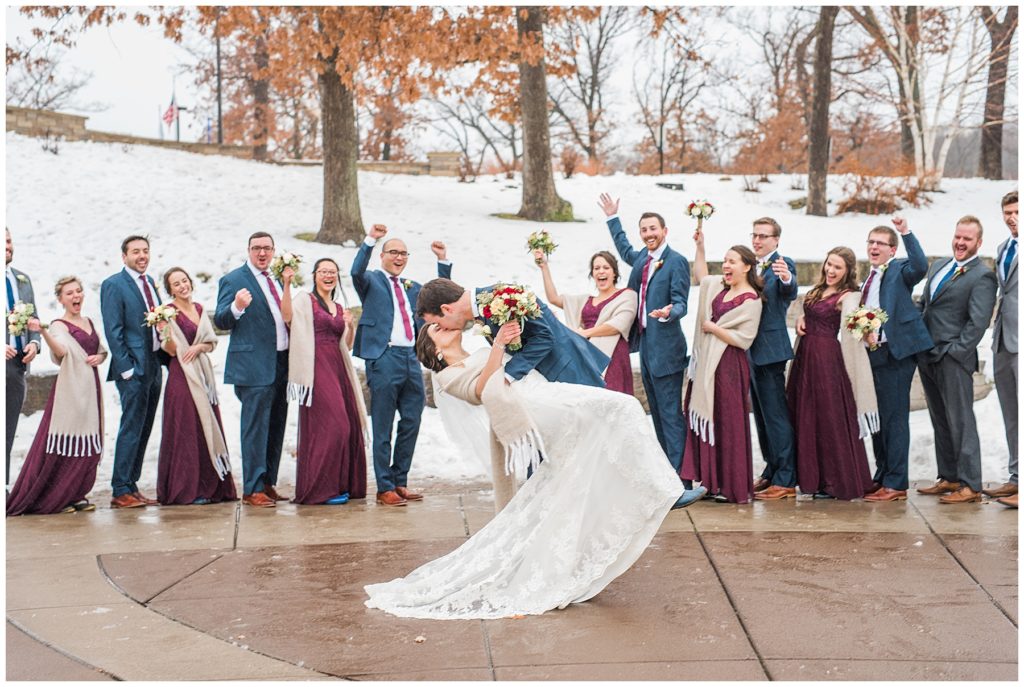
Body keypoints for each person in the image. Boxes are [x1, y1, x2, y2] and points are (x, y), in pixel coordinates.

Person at [364, 320, 703, 620]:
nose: (444, 325)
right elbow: (480, 390)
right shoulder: (446, 377)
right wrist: (498, 346)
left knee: (577, 468)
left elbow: (513, 364)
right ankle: (661, 491)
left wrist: (510, 331)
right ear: (434, 348)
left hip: (542, 390)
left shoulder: (480, 350)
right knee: (623, 407)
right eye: (435, 329)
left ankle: (577, 552)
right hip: (532, 407)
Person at [350, 224, 451, 507]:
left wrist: (442, 261)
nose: (399, 257)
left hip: (410, 358)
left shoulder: (412, 287)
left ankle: (400, 480)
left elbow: (440, 298)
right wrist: (370, 240)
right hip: (384, 357)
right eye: (393, 252)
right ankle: (384, 487)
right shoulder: (371, 280)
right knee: (383, 425)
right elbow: (356, 271)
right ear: (382, 255)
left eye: (404, 253)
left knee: (411, 420)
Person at [599, 193, 690, 474]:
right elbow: (624, 248)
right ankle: (667, 473)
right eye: (644, 230)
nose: (648, 234)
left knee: (670, 414)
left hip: (667, 347)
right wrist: (612, 218)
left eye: (653, 229)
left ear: (664, 231)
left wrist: (669, 312)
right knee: (657, 414)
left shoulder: (676, 261)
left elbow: (682, 302)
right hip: (647, 344)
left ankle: (681, 477)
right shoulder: (642, 258)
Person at [916, 216, 998, 504]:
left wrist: (955, 352)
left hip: (952, 358)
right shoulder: (939, 265)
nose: (960, 243)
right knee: (940, 419)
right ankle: (949, 477)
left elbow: (979, 322)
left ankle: (971, 484)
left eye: (967, 239)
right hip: (927, 355)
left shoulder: (983, 276)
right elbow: (925, 305)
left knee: (961, 421)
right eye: (958, 237)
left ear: (979, 242)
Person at [7, 277, 106, 515]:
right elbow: (61, 352)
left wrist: (100, 357)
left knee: (89, 443)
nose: (75, 296)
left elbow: (101, 350)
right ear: (60, 299)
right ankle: (57, 496)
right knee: (67, 442)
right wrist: (43, 331)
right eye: (69, 293)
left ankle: (76, 493)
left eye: (78, 291)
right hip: (70, 389)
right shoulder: (58, 326)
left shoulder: (89, 321)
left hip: (91, 388)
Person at [788, 248, 876, 500]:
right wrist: (802, 317)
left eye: (838, 267)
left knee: (829, 416)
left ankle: (836, 480)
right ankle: (812, 478)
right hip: (805, 355)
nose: (831, 270)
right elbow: (811, 311)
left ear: (847, 271)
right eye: (829, 264)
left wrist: (867, 330)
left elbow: (854, 321)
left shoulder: (848, 296)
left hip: (826, 359)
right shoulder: (818, 290)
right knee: (806, 415)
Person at [681, 244, 763, 504]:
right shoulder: (720, 287)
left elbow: (744, 338)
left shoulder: (752, 300)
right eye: (725, 261)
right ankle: (711, 482)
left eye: (732, 262)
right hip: (708, 363)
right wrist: (700, 247)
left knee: (728, 422)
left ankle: (732, 485)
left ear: (747, 266)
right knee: (711, 417)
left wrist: (713, 328)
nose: (726, 266)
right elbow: (701, 276)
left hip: (729, 365)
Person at [282, 258, 368, 505]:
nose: (329, 276)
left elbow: (346, 345)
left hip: (338, 367)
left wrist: (350, 326)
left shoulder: (339, 307)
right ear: (315, 275)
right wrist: (286, 284)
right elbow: (287, 317)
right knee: (335, 425)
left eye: (333, 272)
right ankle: (321, 488)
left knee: (348, 425)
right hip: (315, 366)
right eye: (324, 271)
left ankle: (341, 484)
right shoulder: (305, 299)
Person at [417, 278, 609, 388]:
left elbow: (544, 337)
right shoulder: (483, 310)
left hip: (569, 371)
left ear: (447, 309)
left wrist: (507, 376)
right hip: (545, 382)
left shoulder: (503, 297)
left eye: (437, 323)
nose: (444, 328)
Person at [214, 231, 290, 508]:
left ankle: (268, 482)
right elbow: (221, 320)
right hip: (253, 366)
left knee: (276, 425)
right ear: (248, 250)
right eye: (257, 248)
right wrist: (237, 306)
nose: (262, 253)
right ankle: (252, 488)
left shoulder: (278, 279)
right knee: (255, 428)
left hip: (282, 362)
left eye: (267, 248)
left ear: (273, 251)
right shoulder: (234, 280)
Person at [860, 218, 933, 502]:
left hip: (896, 352)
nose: (874, 247)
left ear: (892, 249)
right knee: (878, 418)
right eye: (871, 242)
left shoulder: (900, 269)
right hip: (873, 352)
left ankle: (896, 483)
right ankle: (882, 474)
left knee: (894, 419)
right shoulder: (868, 278)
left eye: (881, 243)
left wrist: (906, 233)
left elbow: (920, 265)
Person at [155, 267, 237, 506]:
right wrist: (165, 332)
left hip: (202, 374)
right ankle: (186, 489)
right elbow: (170, 350)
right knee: (186, 429)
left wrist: (199, 347)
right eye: (176, 284)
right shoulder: (167, 313)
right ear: (170, 290)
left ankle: (211, 486)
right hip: (182, 375)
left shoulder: (199, 309)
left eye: (184, 281)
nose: (183, 286)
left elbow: (210, 342)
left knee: (205, 427)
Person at [100, 235, 163, 509]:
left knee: (144, 427)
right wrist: (126, 368)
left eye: (145, 251)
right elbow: (113, 330)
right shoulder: (114, 284)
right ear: (124, 256)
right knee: (131, 427)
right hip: (133, 368)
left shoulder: (150, 283)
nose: (142, 256)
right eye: (136, 251)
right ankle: (120, 488)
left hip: (154, 365)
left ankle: (132, 485)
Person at [533, 249, 637, 395]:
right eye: (596, 268)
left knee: (612, 396)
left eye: (606, 267)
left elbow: (618, 325)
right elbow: (554, 298)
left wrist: (584, 333)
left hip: (613, 355)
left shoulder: (627, 295)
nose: (601, 271)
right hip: (587, 356)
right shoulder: (585, 300)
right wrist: (544, 267)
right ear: (592, 274)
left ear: (614, 272)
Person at [985, 191, 1018, 507]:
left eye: (1017, 212)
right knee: (1011, 413)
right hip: (1003, 338)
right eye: (1007, 212)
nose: (1012, 217)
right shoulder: (1003, 248)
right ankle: (1016, 477)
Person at [6, 228, 42, 489]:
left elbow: (34, 318)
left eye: (8, 241)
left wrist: (34, 343)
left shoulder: (22, 279)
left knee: (7, 430)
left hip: (16, 367)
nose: (7, 246)